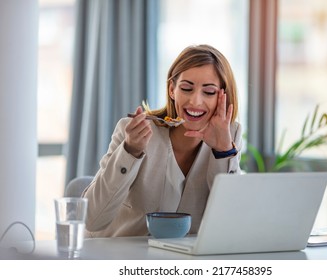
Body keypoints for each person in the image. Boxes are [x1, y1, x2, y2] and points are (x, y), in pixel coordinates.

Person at [82, 44, 242, 237]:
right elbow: (91, 219)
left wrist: (223, 151)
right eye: (186, 88)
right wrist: (130, 151)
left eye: (208, 92)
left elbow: (231, 223)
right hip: (119, 255)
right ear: (172, 90)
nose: (195, 101)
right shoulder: (132, 131)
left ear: (222, 97)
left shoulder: (229, 136)